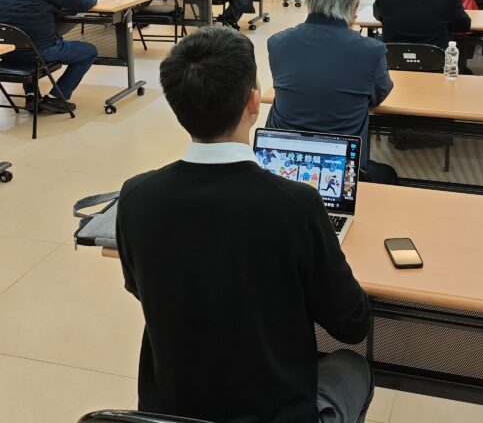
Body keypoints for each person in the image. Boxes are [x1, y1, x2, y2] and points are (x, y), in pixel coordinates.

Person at [116, 27, 374, 423]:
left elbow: (140, 287)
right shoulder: (296, 204)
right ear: (254, 102)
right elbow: (352, 324)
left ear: (176, 105)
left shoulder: (136, 196)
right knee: (353, 367)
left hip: (172, 412)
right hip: (276, 412)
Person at [267, 0, 395, 181]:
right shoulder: (370, 50)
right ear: (354, 2)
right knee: (389, 175)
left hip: (283, 169)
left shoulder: (277, 43)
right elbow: (376, 97)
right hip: (339, 171)